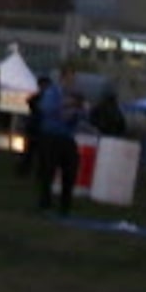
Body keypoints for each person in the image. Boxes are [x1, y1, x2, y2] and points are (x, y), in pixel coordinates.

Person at [29, 71, 84, 216]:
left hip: (66, 136)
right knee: (48, 170)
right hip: (51, 135)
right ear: (62, 79)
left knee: (70, 170)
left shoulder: (75, 96)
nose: (72, 83)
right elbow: (45, 109)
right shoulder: (52, 93)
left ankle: (65, 205)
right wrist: (63, 106)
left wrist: (76, 113)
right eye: (69, 79)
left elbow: (79, 115)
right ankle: (44, 203)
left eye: (73, 80)